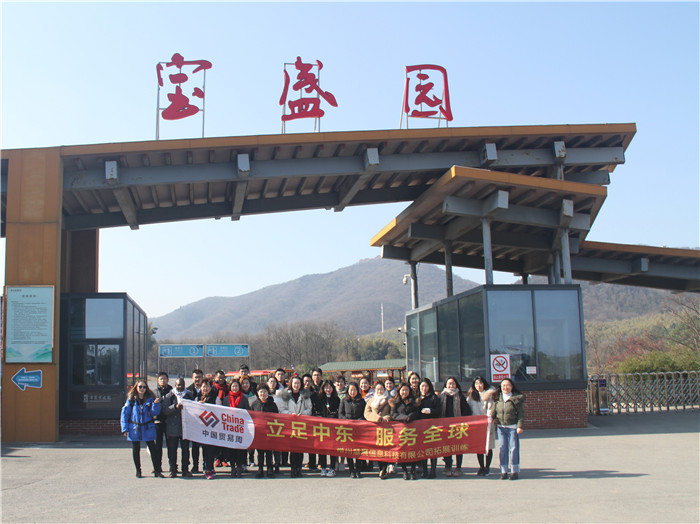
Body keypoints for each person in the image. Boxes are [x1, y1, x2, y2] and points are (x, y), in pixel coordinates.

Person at [120, 379, 162, 478]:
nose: (142, 389)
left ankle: (157, 470)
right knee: (136, 449)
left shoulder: (150, 399)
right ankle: (138, 471)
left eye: (144, 387)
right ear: (136, 388)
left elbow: (154, 413)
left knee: (153, 449)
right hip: (135, 427)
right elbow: (125, 414)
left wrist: (156, 404)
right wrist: (125, 428)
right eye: (140, 387)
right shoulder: (131, 400)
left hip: (147, 427)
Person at [489, 378, 525, 480]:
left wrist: (520, 426)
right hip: (501, 428)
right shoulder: (498, 399)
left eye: (508, 385)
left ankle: (514, 471)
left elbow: (521, 414)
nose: (505, 387)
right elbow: (493, 412)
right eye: (503, 385)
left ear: (512, 386)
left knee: (514, 449)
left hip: (512, 427)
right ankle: (504, 471)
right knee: (502, 449)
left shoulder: (516, 399)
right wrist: (491, 418)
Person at [277, 375, 313, 478]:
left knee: (300, 448)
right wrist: (290, 414)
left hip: (301, 424)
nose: (296, 385)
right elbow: (282, 409)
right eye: (294, 383)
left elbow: (309, 408)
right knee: (292, 448)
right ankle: (293, 469)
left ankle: (299, 469)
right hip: (290, 424)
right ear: (291, 384)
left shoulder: (305, 394)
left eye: (298, 383)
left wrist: (303, 414)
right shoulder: (285, 394)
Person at [439, 376, 472, 476]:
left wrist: (460, 419)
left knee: (458, 448)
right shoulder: (441, 396)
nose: (451, 385)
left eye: (453, 383)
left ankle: (458, 468)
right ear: (446, 385)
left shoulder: (460, 396)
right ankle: (448, 467)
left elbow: (467, 411)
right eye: (449, 383)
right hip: (445, 426)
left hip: (457, 426)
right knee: (447, 447)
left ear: (456, 385)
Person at [467, 376, 497, 476]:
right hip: (476, 425)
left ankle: (487, 467)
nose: (478, 385)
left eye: (480, 383)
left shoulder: (490, 394)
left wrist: (489, 419)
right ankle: (481, 467)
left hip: (488, 424)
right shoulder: (471, 395)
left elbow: (491, 409)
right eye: (476, 383)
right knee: (479, 447)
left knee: (488, 446)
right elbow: (468, 408)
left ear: (484, 384)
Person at [164, 377, 193, 477]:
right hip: (172, 427)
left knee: (185, 450)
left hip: (185, 427)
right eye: (178, 385)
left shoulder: (189, 395)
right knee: (172, 450)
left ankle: (185, 469)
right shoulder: (169, 396)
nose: (180, 387)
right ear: (175, 385)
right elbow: (165, 410)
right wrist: (175, 407)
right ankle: (173, 470)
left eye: (182, 385)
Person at [391, 382, 420, 480]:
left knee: (412, 450)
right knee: (402, 451)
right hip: (401, 431)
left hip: (412, 430)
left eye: (407, 390)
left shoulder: (414, 401)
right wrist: (404, 418)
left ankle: (412, 470)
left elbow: (417, 412)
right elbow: (393, 415)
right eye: (403, 390)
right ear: (399, 391)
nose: (405, 392)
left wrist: (410, 417)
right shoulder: (395, 402)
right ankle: (404, 471)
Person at [249, 384, 278, 478]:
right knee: (260, 452)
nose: (263, 393)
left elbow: (277, 418)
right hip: (259, 432)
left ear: (267, 393)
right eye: (261, 392)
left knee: (269, 452)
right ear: (258, 393)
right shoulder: (254, 404)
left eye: (265, 391)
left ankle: (270, 469)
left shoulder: (273, 405)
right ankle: (260, 469)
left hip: (269, 431)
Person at [363, 381, 392, 479]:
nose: (379, 391)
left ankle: (384, 468)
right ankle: (381, 468)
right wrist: (377, 418)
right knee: (378, 450)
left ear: (384, 390)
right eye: (377, 389)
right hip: (375, 428)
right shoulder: (371, 400)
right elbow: (366, 413)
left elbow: (392, 413)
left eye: (381, 389)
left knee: (386, 449)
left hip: (386, 428)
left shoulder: (389, 400)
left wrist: (386, 418)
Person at [339, 381, 366, 478]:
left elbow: (364, 414)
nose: (352, 392)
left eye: (354, 390)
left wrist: (359, 421)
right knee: (349, 450)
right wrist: (347, 421)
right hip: (347, 429)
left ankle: (358, 470)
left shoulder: (362, 401)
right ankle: (351, 470)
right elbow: (340, 414)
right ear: (348, 391)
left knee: (359, 450)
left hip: (358, 429)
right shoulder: (344, 401)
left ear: (357, 391)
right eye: (351, 390)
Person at [314, 379, 340, 477]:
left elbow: (337, 412)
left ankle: (332, 468)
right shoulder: (319, 399)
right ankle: (323, 467)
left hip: (333, 427)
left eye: (330, 387)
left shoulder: (337, 399)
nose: (328, 389)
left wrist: (331, 418)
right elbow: (316, 411)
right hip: (322, 427)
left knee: (332, 448)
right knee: (322, 448)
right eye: (326, 387)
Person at [198, 378, 222, 479]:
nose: (205, 388)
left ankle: (210, 467)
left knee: (212, 449)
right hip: (202, 428)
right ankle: (207, 468)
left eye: (207, 386)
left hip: (213, 427)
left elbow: (220, 411)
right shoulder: (197, 398)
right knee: (205, 449)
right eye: (203, 386)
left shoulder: (215, 398)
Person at [419, 377, 442, 478]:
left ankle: (433, 470)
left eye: (426, 386)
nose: (424, 388)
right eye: (422, 386)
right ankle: (424, 470)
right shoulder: (417, 397)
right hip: (420, 427)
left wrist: (430, 411)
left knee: (432, 449)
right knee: (422, 450)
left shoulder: (433, 397)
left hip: (432, 427)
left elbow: (439, 410)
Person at [227, 378, 250, 477]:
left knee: (240, 448)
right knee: (231, 448)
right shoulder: (226, 399)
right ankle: (233, 467)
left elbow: (247, 412)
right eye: (233, 386)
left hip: (241, 427)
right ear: (230, 387)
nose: (235, 388)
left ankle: (239, 466)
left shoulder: (244, 398)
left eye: (236, 386)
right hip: (230, 427)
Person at [153, 372, 172, 475]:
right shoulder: (154, 393)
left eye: (164, 379)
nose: (163, 381)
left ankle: (172, 466)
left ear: (168, 380)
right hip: (158, 422)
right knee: (157, 446)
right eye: (161, 379)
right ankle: (157, 466)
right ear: (158, 381)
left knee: (171, 446)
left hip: (169, 422)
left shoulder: (172, 391)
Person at [186, 368, 204, 473]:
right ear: (192, 378)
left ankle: (206, 465)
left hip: (206, 422)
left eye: (199, 377)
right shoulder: (187, 391)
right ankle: (195, 465)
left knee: (207, 445)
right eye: (195, 377)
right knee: (195, 446)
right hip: (193, 422)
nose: (197, 379)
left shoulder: (208, 389)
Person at [212, 370, 230, 468]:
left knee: (225, 438)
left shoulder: (227, 388)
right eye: (219, 377)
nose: (221, 379)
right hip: (215, 416)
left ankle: (224, 459)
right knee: (216, 438)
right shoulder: (212, 388)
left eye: (223, 377)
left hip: (226, 416)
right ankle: (217, 458)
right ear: (215, 378)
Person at [303, 373, 320, 472]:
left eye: (309, 381)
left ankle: (313, 463)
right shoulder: (299, 393)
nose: (307, 383)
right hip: (301, 420)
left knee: (312, 443)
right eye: (305, 381)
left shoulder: (314, 394)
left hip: (312, 420)